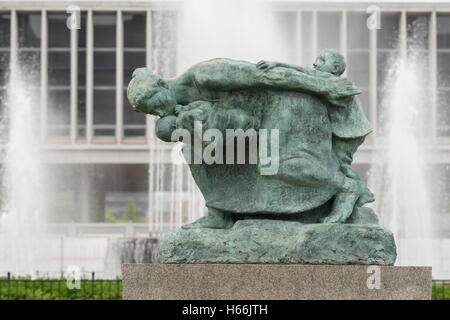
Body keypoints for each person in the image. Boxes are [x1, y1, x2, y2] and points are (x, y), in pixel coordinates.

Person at [127, 58, 367, 228]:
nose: (159, 112)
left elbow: (266, 74)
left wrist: (322, 85)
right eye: (151, 112)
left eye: (156, 103)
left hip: (283, 105)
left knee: (277, 163)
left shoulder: (205, 75)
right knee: (194, 147)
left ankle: (344, 186)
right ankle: (219, 214)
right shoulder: (179, 109)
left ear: (160, 84)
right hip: (248, 123)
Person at [256, 49, 375, 223]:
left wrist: (279, 70)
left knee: (337, 168)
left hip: (348, 134)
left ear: (334, 68)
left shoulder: (334, 82)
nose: (315, 63)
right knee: (337, 168)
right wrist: (277, 64)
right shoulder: (324, 78)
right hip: (344, 132)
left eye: (321, 60)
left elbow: (301, 78)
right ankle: (351, 191)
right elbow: (303, 71)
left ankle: (349, 190)